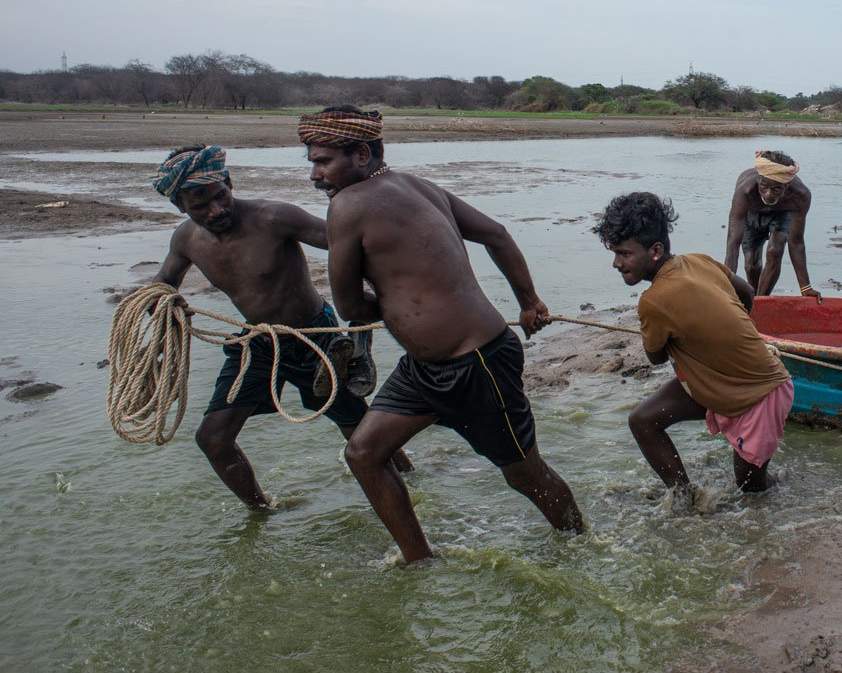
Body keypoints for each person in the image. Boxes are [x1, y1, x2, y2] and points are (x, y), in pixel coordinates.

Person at [303, 106, 583, 564]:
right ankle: (418, 561)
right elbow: (497, 234)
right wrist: (528, 301)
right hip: (425, 369)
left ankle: (580, 543)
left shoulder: (346, 207)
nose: (315, 175)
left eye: (323, 161)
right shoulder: (421, 187)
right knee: (364, 452)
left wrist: (391, 308)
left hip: (476, 365)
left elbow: (352, 308)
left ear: (359, 153)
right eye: (312, 162)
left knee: (524, 475)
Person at [150, 143, 400, 512]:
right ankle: (260, 512)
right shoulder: (186, 239)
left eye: (221, 196)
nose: (216, 210)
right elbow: (163, 281)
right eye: (200, 205)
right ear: (180, 207)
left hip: (314, 338)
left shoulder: (273, 217)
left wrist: (383, 297)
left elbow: (346, 244)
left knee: (358, 431)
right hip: (258, 342)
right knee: (213, 439)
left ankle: (408, 479)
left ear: (230, 182)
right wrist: (153, 301)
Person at [597, 192, 793, 499]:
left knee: (752, 490)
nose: (616, 263)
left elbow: (656, 357)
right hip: (717, 382)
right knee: (643, 420)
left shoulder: (652, 301)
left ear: (655, 250)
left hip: (761, 393)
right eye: (614, 253)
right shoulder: (698, 261)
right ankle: (686, 497)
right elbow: (745, 294)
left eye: (623, 254)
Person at [724, 151, 822, 300]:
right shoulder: (745, 192)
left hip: (781, 213)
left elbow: (796, 242)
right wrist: (726, 287)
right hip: (752, 214)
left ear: (787, 185)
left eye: (776, 189)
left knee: (775, 250)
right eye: (764, 187)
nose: (769, 194)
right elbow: (733, 244)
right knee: (751, 265)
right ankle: (753, 299)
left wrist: (805, 287)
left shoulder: (800, 196)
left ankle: (762, 300)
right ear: (758, 180)